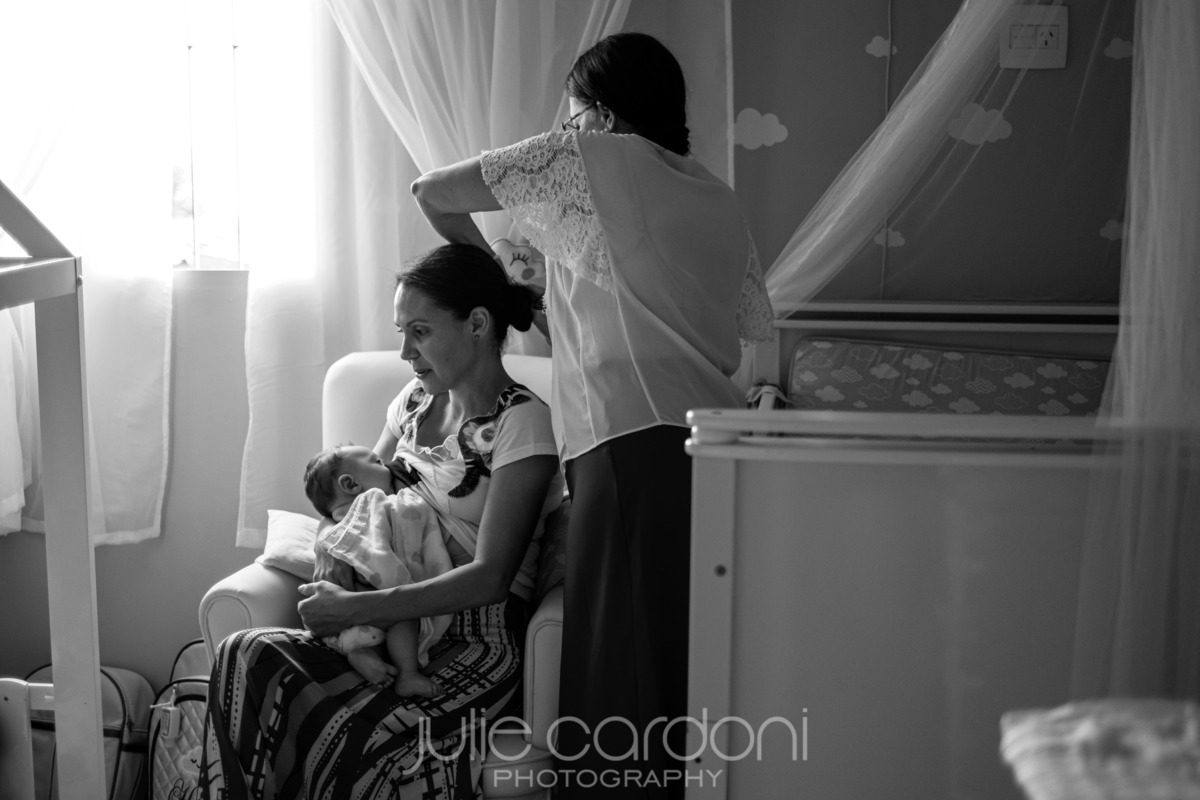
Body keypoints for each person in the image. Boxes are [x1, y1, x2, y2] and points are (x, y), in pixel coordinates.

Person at [410, 31, 774, 798]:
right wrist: (537, 292)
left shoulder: (593, 158)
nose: (567, 129)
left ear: (600, 115)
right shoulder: (714, 195)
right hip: (714, 447)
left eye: (573, 114)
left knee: (622, 667)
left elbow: (432, 191)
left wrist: (498, 284)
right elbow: (663, 328)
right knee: (683, 668)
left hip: (629, 445)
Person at [200, 243, 565, 799]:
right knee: (244, 654)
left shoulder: (523, 423)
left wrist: (358, 609)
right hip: (385, 626)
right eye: (402, 332)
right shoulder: (414, 401)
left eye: (419, 332)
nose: (405, 352)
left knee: (357, 739)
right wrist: (331, 565)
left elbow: (492, 577)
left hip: (474, 638)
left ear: (476, 324)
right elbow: (354, 509)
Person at [303, 443, 454, 698]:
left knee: (382, 630)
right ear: (351, 484)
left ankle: (362, 653)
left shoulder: (340, 516)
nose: (386, 465)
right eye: (377, 462)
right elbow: (379, 546)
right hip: (367, 603)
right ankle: (407, 674)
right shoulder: (371, 504)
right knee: (403, 614)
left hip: (339, 624)